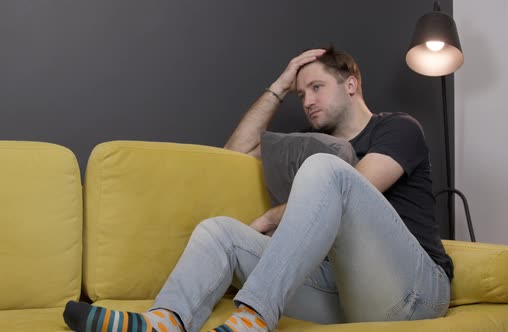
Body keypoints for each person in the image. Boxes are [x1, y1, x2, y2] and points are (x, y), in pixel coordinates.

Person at [62, 47, 453, 332]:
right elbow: (234, 155)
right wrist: (280, 86)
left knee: (326, 170)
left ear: (351, 84)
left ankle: (253, 318)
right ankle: (166, 321)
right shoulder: (309, 144)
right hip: (347, 296)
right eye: (302, 95)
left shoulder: (397, 128)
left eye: (316, 87)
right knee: (219, 232)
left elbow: (359, 185)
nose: (308, 102)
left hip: (414, 292)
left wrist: (269, 217)